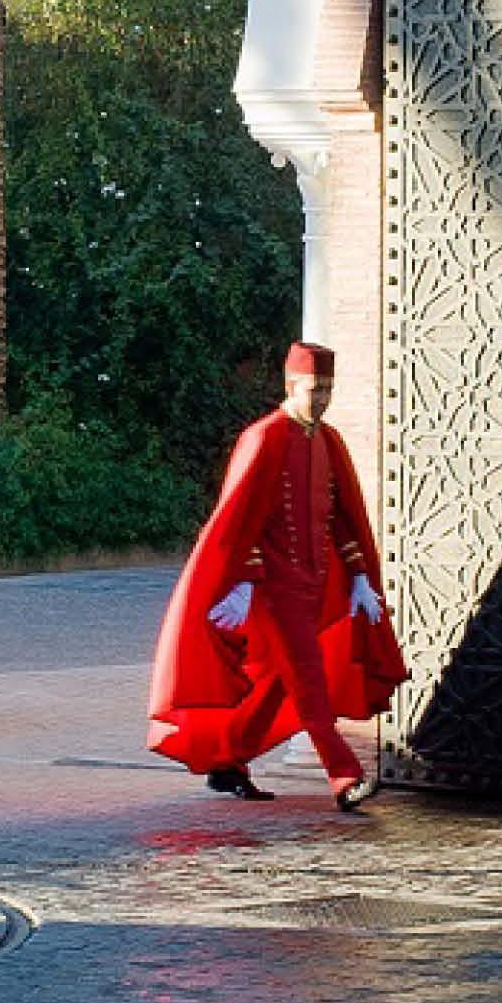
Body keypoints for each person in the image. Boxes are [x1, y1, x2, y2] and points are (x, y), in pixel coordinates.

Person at [149, 341, 402, 811]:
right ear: (290, 386)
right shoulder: (263, 436)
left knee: (278, 683)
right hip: (273, 590)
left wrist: (361, 576)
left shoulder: (329, 441)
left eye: (328, 389)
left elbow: (344, 517)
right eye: (313, 389)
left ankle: (228, 759)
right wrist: (243, 582)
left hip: (315, 586)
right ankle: (344, 777)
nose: (322, 399)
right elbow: (240, 516)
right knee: (309, 681)